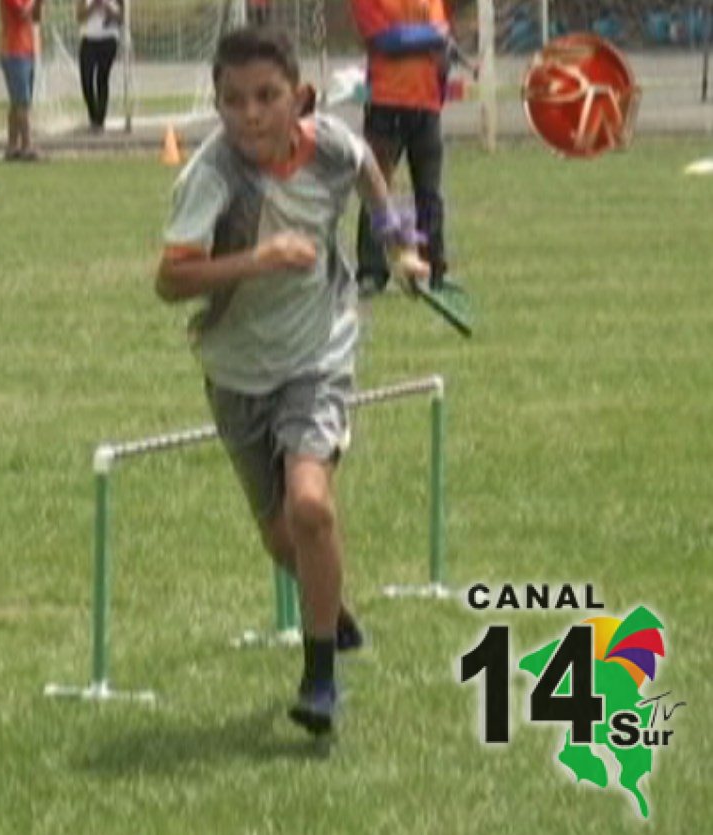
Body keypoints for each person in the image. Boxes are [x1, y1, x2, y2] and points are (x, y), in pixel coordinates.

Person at [155, 26, 429, 735]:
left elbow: (369, 170)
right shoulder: (210, 176)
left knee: (311, 507)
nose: (251, 113)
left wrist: (401, 243)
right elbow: (169, 279)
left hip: (318, 350)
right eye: (233, 100)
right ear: (216, 105)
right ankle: (331, 611)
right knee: (281, 537)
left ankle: (318, 681)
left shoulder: (331, 144)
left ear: (299, 97)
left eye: (267, 97)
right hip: (235, 369)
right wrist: (260, 258)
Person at [350, 0, 457, 295]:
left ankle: (434, 268)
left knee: (430, 193)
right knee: (377, 189)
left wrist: (441, 69)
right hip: (386, 104)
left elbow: (442, 44)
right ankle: (372, 272)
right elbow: (385, 40)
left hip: (426, 105)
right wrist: (434, 35)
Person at [0, 0, 39, 160]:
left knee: (17, 102)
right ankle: (27, 145)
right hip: (14, 50)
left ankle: (13, 145)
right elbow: (21, 13)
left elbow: (35, 16)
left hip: (26, 48)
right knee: (22, 102)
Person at [75, 0, 120, 132]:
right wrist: (93, 6)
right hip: (88, 40)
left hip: (108, 39)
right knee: (86, 80)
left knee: (102, 78)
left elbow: (120, 19)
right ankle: (93, 114)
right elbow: (79, 17)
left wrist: (108, 10)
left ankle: (99, 120)